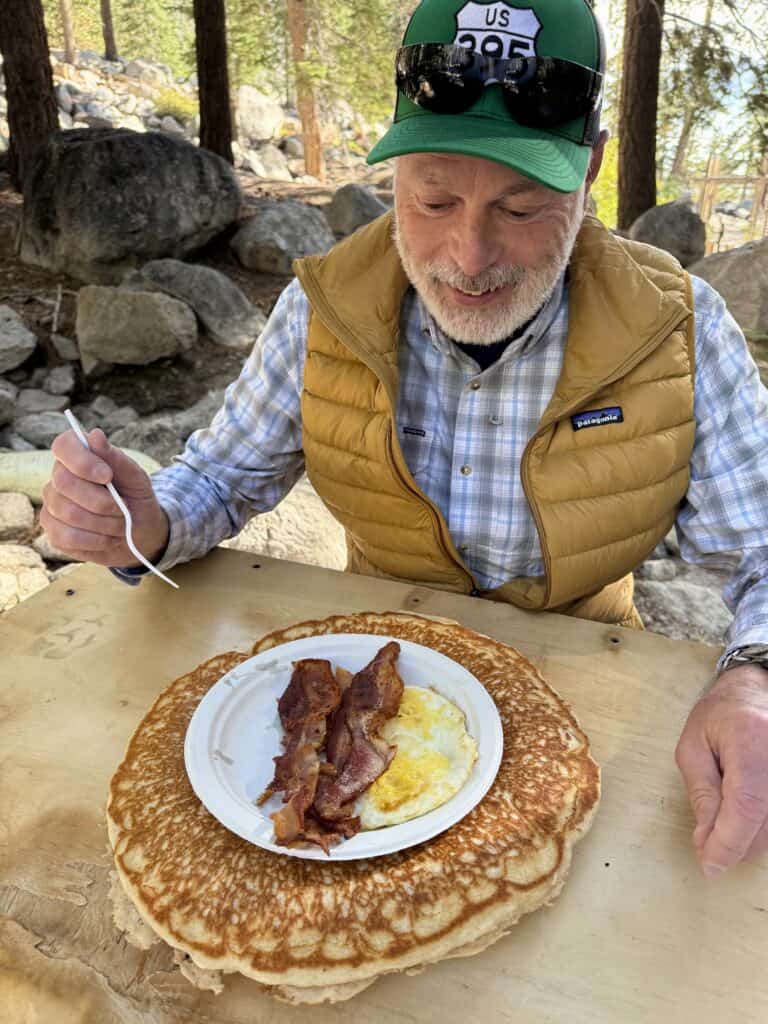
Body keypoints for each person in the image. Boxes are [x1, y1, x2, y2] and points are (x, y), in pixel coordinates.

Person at [42, 0, 768, 878]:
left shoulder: (681, 331)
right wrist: (144, 520)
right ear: (390, 171)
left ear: (594, 169)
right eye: (432, 198)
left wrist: (753, 676)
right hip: (371, 687)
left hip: (592, 685)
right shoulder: (326, 307)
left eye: (525, 206)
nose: (469, 256)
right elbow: (223, 478)